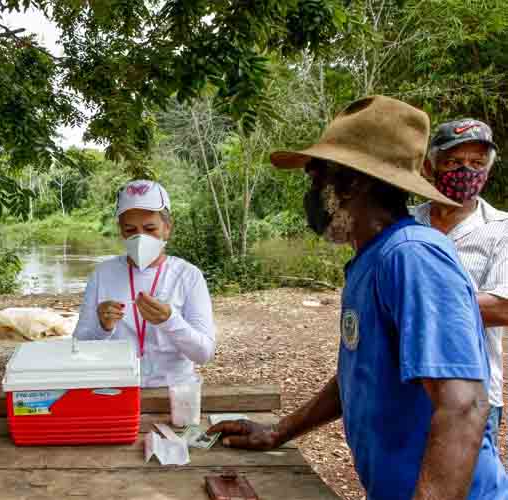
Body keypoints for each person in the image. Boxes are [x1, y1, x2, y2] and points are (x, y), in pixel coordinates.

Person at [207, 96, 508, 499]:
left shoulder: (412, 256)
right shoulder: (374, 258)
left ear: (351, 181)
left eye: (317, 179)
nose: (311, 194)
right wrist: (277, 432)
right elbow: (359, 375)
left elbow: (464, 407)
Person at [413, 119, 508, 447]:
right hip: (406, 385)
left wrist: (412, 302)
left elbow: (502, 307)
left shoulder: (501, 229)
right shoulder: (406, 222)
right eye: (454, 162)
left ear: (487, 172)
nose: (466, 171)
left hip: (473, 390)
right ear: (429, 167)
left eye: (477, 163)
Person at [72, 180, 215, 387]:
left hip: (174, 392)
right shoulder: (103, 274)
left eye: (150, 228)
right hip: (117, 389)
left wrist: (170, 320)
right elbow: (78, 348)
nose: (140, 238)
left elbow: (204, 354)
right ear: (121, 231)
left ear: (167, 228)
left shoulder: (188, 276)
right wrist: (102, 327)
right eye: (130, 230)